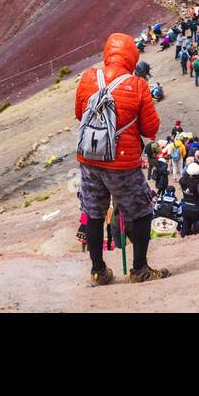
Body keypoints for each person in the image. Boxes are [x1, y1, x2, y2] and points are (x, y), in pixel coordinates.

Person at [75, 32, 170, 285]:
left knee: (94, 213)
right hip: (122, 164)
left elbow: (79, 114)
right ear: (132, 57)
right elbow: (150, 130)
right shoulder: (138, 85)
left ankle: (98, 271)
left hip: (89, 159)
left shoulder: (87, 78)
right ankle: (139, 269)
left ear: (107, 53)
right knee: (140, 212)